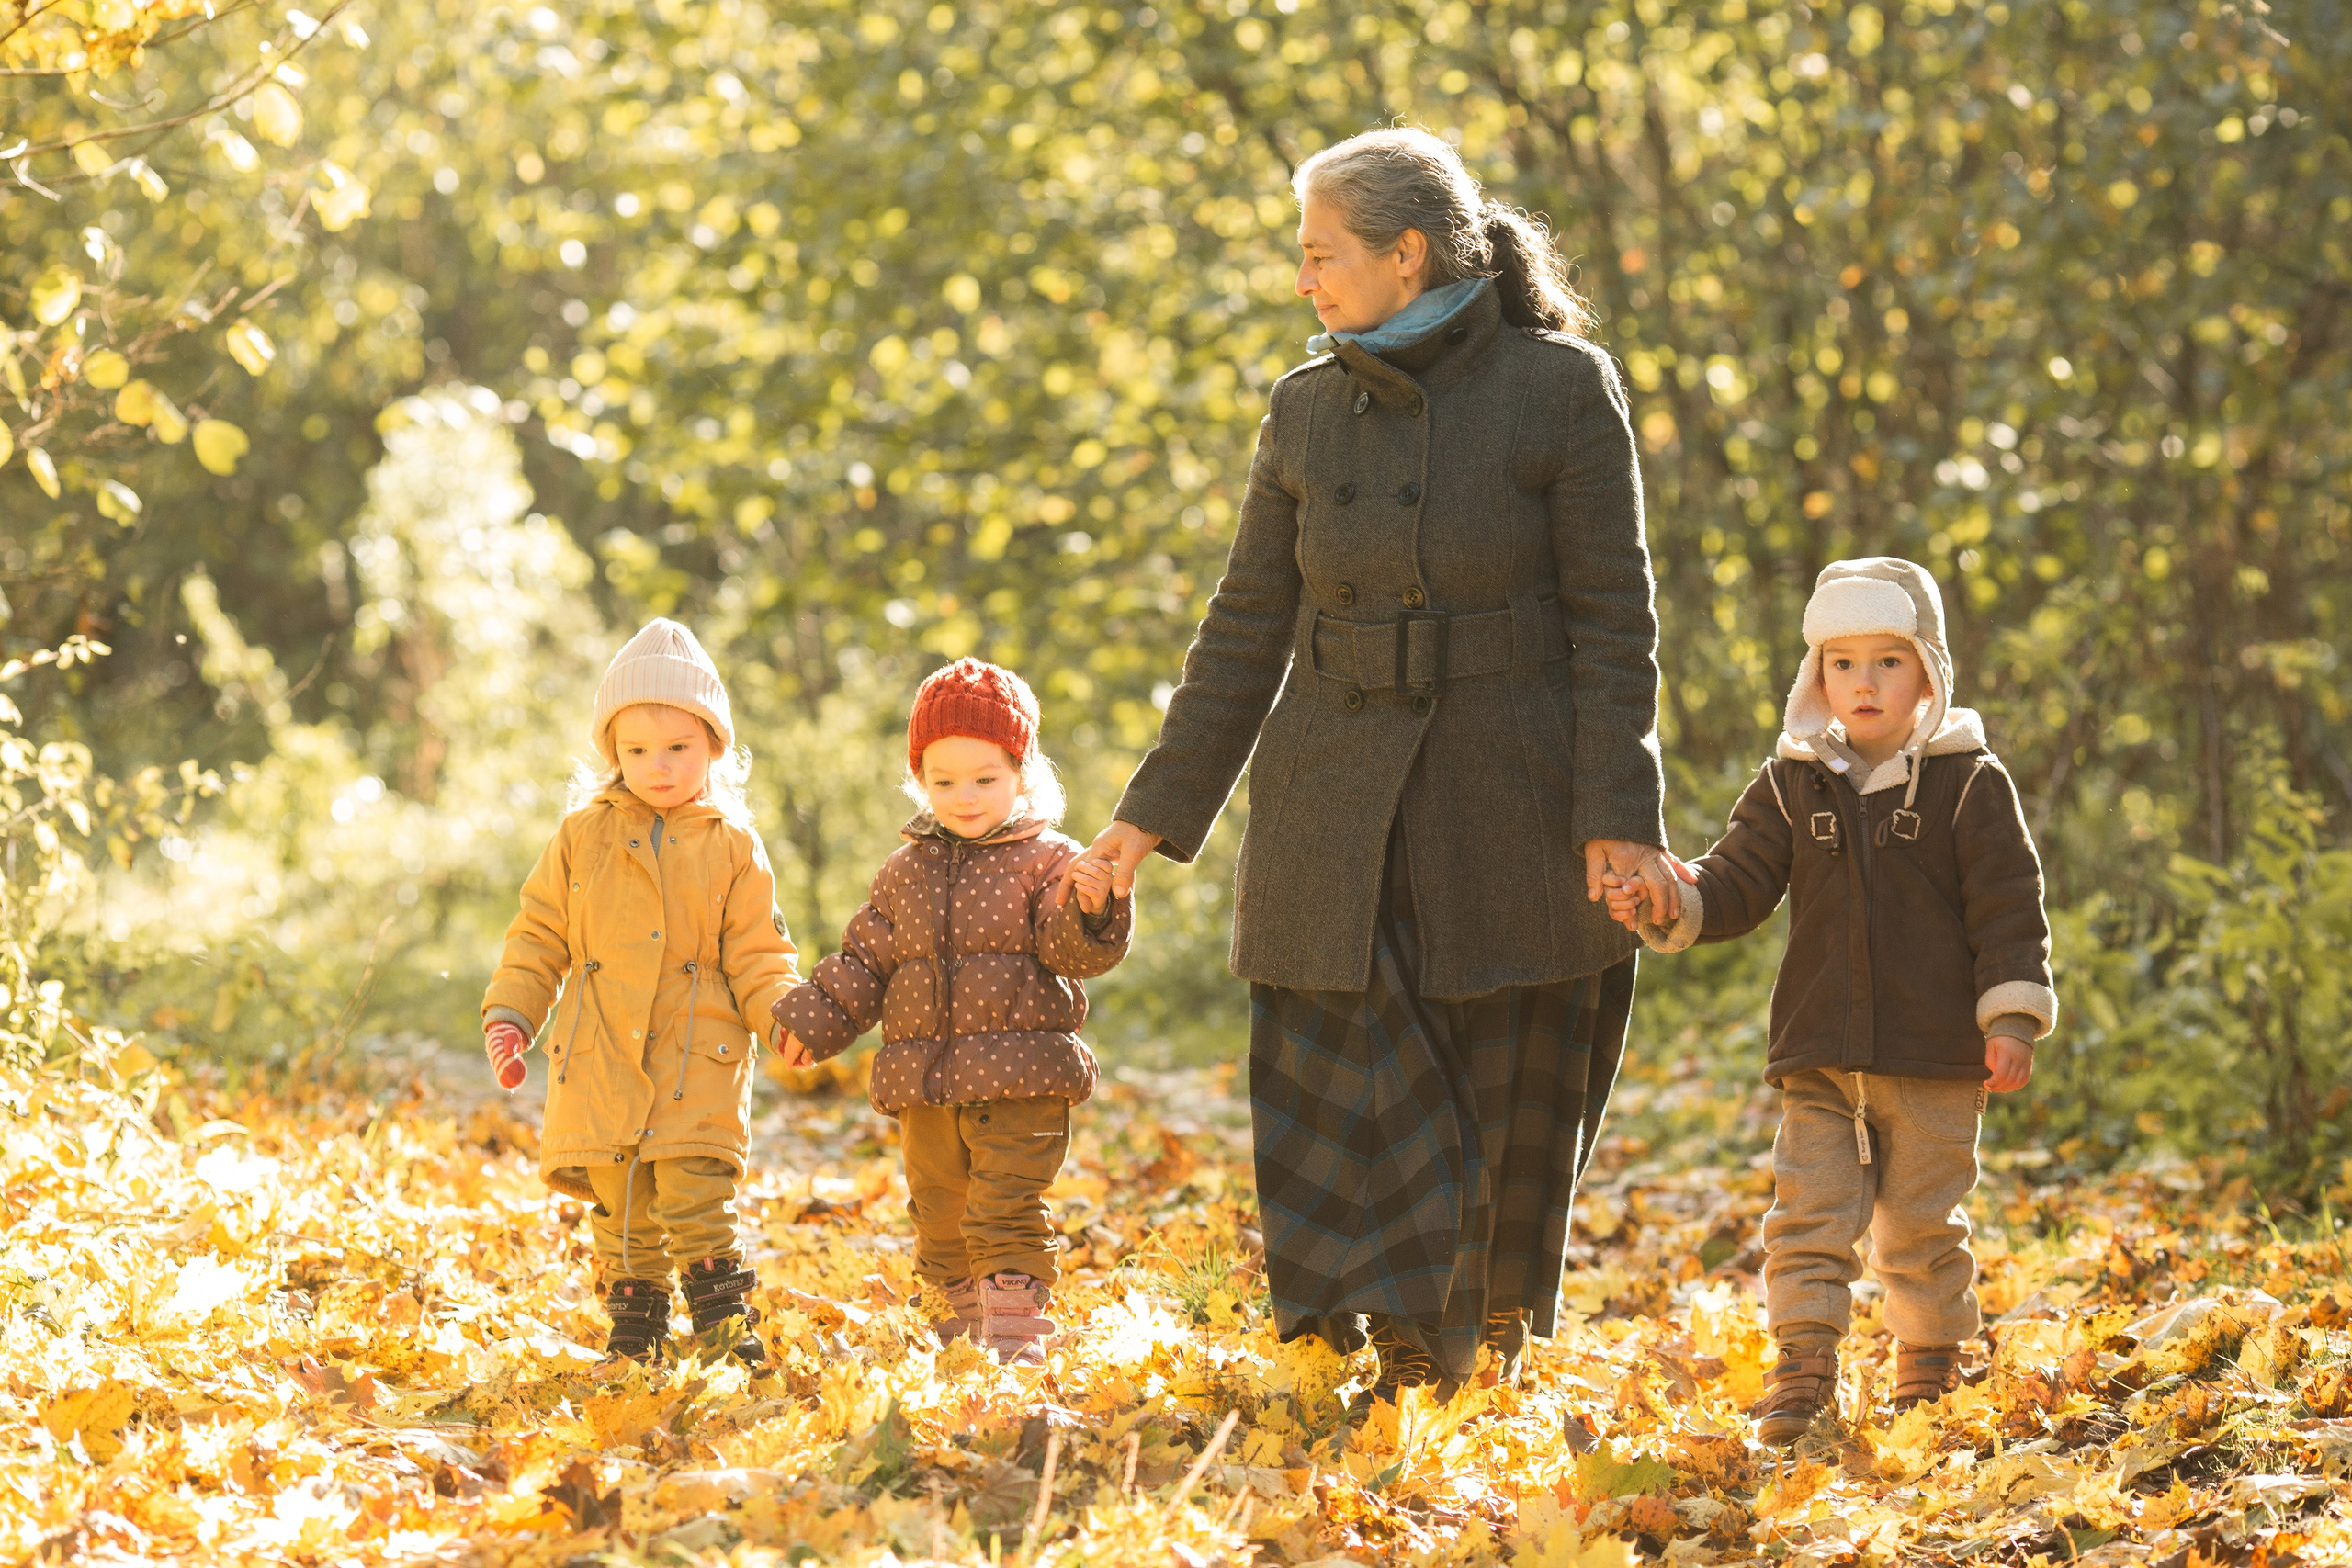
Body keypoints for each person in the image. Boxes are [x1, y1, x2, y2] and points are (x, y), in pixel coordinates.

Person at [1071, 126, 1681, 1405]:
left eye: (1319, 253)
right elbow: (1243, 629)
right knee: (1346, 1067)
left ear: (1405, 254)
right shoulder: (1303, 409)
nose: (1303, 281)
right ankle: (1379, 1333)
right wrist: (1146, 820)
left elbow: (1614, 623)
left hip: (1507, 798)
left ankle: (1458, 1341)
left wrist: (1618, 814)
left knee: (1494, 1065)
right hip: (1330, 809)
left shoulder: (1562, 389)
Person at [1608, 557, 2055, 1443]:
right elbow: (1735, 879)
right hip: (1818, 1054)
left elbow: (2010, 905)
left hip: (1932, 1061)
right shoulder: (1792, 780)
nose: (1863, 682)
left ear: (1928, 668)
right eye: (1841, 662)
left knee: (1922, 1224)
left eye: (1886, 661)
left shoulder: (1969, 783)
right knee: (1806, 1218)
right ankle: (1803, 1369)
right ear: (1816, 676)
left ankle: (1928, 1370)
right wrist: (1673, 894)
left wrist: (2009, 1015)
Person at [772, 659, 1131, 1367]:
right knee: (939, 1215)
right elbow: (865, 959)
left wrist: (1092, 907)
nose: (964, 796)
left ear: (1022, 772)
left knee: (1004, 1209)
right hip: (926, 1086)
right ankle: (961, 1337)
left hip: (1022, 1080)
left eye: (984, 779)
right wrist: (814, 1018)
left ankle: (1014, 1335)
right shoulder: (904, 871)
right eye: (943, 781)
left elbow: (1071, 952)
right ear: (920, 779)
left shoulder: (1048, 859)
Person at [481, 618, 800, 1368]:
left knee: (695, 1192)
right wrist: (513, 1011)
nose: (657, 767)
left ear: (714, 745)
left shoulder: (732, 843)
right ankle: (636, 1325)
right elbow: (539, 933)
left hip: (698, 1049)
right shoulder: (580, 835)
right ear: (612, 752)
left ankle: (722, 1323)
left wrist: (785, 1014)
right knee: (620, 1201)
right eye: (637, 751)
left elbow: (758, 950)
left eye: (677, 748)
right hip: (600, 1053)